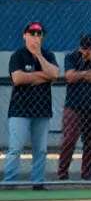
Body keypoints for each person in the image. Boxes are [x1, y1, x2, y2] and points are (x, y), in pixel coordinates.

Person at [5, 20, 58, 188]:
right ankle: (10, 182)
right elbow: (18, 78)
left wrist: (39, 56)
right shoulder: (18, 56)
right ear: (24, 36)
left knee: (40, 150)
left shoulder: (48, 55)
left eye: (39, 34)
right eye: (32, 33)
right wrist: (43, 76)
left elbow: (54, 74)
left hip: (41, 110)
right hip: (20, 110)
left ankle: (37, 182)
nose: (35, 37)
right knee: (15, 148)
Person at [58, 32, 91, 181]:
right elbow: (70, 77)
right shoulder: (71, 57)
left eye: (90, 48)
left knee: (90, 142)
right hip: (73, 105)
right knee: (69, 140)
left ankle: (87, 174)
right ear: (79, 47)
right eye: (84, 48)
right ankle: (62, 173)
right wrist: (88, 72)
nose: (86, 52)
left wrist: (84, 72)